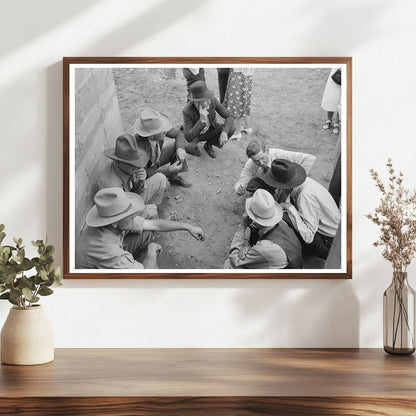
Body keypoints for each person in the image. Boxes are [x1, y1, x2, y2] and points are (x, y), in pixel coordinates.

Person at [76, 188, 206, 269]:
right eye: (128, 216)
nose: (133, 216)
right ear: (114, 222)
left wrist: (188, 227)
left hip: (107, 256)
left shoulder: (111, 221)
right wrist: (151, 251)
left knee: (147, 232)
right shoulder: (108, 251)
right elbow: (146, 277)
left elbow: (154, 224)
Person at [262, 159, 341, 259]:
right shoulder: (305, 182)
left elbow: (309, 237)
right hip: (334, 232)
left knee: (286, 217)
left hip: (330, 244)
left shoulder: (305, 197)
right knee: (289, 212)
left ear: (284, 186)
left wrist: (289, 207)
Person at [224, 189, 302, 269]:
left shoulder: (265, 248)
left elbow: (235, 259)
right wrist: (247, 245)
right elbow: (253, 226)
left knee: (229, 265)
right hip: (292, 265)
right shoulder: (280, 222)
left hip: (284, 278)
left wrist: (242, 226)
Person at [99, 133, 166, 207]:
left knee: (160, 178)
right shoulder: (113, 187)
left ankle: (152, 208)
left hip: (130, 198)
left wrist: (141, 181)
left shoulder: (126, 168)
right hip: (121, 210)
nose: (138, 167)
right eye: (133, 165)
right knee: (151, 210)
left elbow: (135, 191)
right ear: (119, 162)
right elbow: (122, 212)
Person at [234, 138, 316, 197]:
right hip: (268, 183)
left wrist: (296, 182)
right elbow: (242, 181)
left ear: (267, 150)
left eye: (262, 158)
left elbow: (310, 159)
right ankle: (271, 193)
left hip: (284, 182)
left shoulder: (279, 154)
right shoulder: (251, 164)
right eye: (256, 160)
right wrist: (239, 189)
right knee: (251, 185)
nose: (261, 163)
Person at [134, 108, 192, 188]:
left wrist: (180, 148)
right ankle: (167, 177)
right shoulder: (138, 149)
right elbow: (145, 174)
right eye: (163, 132)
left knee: (177, 146)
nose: (166, 131)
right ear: (151, 135)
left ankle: (173, 179)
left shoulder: (158, 127)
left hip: (157, 158)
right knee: (157, 177)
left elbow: (178, 134)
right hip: (149, 168)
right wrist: (168, 170)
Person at [182, 80, 234, 159]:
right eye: (205, 100)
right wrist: (201, 121)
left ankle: (209, 145)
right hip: (196, 135)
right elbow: (188, 136)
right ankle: (196, 150)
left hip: (211, 130)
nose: (209, 102)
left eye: (209, 98)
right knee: (189, 146)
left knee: (230, 129)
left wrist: (224, 132)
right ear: (197, 102)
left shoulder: (212, 100)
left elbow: (229, 116)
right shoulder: (187, 111)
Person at [223, 68, 254, 140]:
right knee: (245, 99)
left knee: (237, 101)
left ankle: (237, 132)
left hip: (239, 72)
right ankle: (247, 127)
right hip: (247, 72)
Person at [321, 68, 341, 135]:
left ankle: (337, 123)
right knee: (331, 96)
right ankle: (329, 120)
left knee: (341, 99)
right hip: (336, 70)